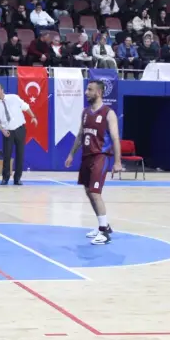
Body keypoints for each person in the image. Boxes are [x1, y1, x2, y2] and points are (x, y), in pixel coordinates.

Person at [64, 80, 122, 245]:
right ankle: (104, 225)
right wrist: (71, 154)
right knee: (89, 192)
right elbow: (80, 135)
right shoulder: (85, 112)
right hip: (86, 156)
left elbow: (115, 138)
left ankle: (104, 233)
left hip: (100, 156)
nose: (86, 92)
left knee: (95, 193)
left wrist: (117, 162)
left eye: (89, 90)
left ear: (99, 92)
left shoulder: (109, 113)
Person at [0, 83, 38, 186]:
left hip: (20, 129)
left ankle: (17, 179)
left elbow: (25, 107)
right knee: (7, 155)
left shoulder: (14, 98)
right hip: (7, 132)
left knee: (20, 154)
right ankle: (5, 178)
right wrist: (3, 130)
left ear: (2, 90)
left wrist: (33, 117)